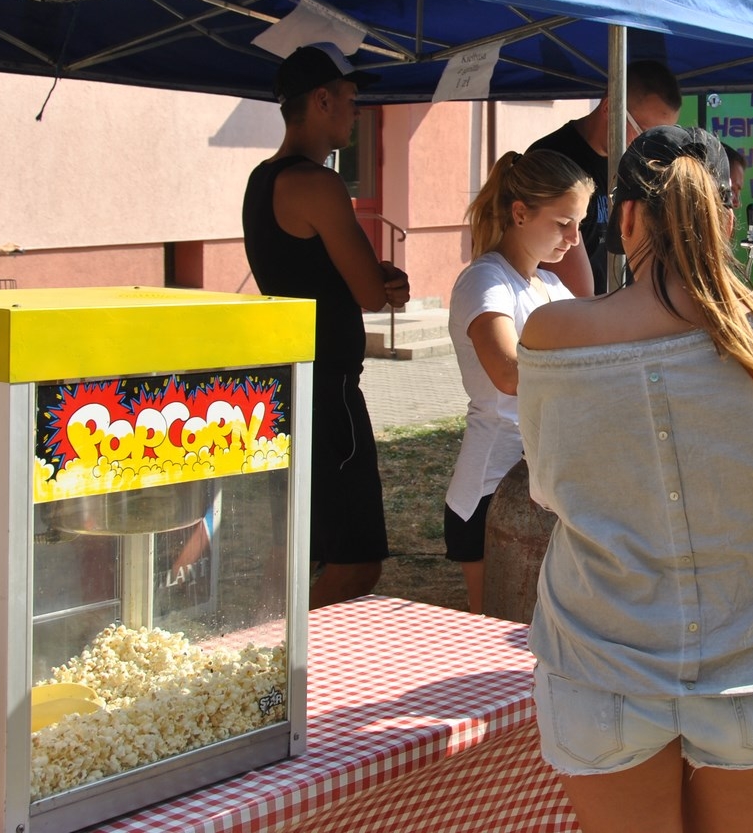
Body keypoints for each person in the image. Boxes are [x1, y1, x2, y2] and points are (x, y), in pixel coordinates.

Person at [516, 126, 753, 833]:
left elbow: (549, 489)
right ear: (727, 219)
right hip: (752, 671)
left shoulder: (553, 336)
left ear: (627, 218)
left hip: (602, 668)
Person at [242, 44, 411, 609]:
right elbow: (367, 289)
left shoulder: (262, 179)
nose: (355, 112)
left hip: (290, 378)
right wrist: (377, 277)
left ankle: (273, 652)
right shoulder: (317, 183)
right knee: (355, 560)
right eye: (349, 100)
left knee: (294, 542)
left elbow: (330, 271)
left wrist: (370, 274)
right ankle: (291, 658)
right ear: (321, 101)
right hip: (327, 388)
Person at [445, 149, 592, 613]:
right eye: (563, 223)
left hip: (534, 482)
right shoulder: (485, 281)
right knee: (492, 637)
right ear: (520, 213)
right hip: (491, 489)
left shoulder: (547, 286)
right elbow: (508, 374)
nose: (573, 238)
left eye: (580, 224)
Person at [526, 60, 682, 296]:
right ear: (610, 108)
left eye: (662, 137)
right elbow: (578, 294)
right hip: (579, 318)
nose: (652, 147)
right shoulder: (555, 159)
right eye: (646, 132)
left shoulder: (638, 164)